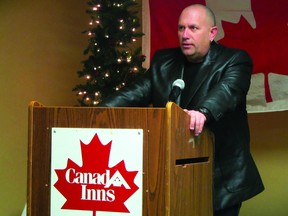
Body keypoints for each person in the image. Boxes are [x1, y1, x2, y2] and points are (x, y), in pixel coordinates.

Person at [98, 4, 264, 216]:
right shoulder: (163, 61)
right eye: (181, 28)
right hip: (173, 176)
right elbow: (134, 93)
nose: (185, 35)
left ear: (212, 33)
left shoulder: (235, 60)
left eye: (193, 28)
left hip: (220, 180)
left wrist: (202, 112)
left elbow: (227, 92)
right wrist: (98, 113)